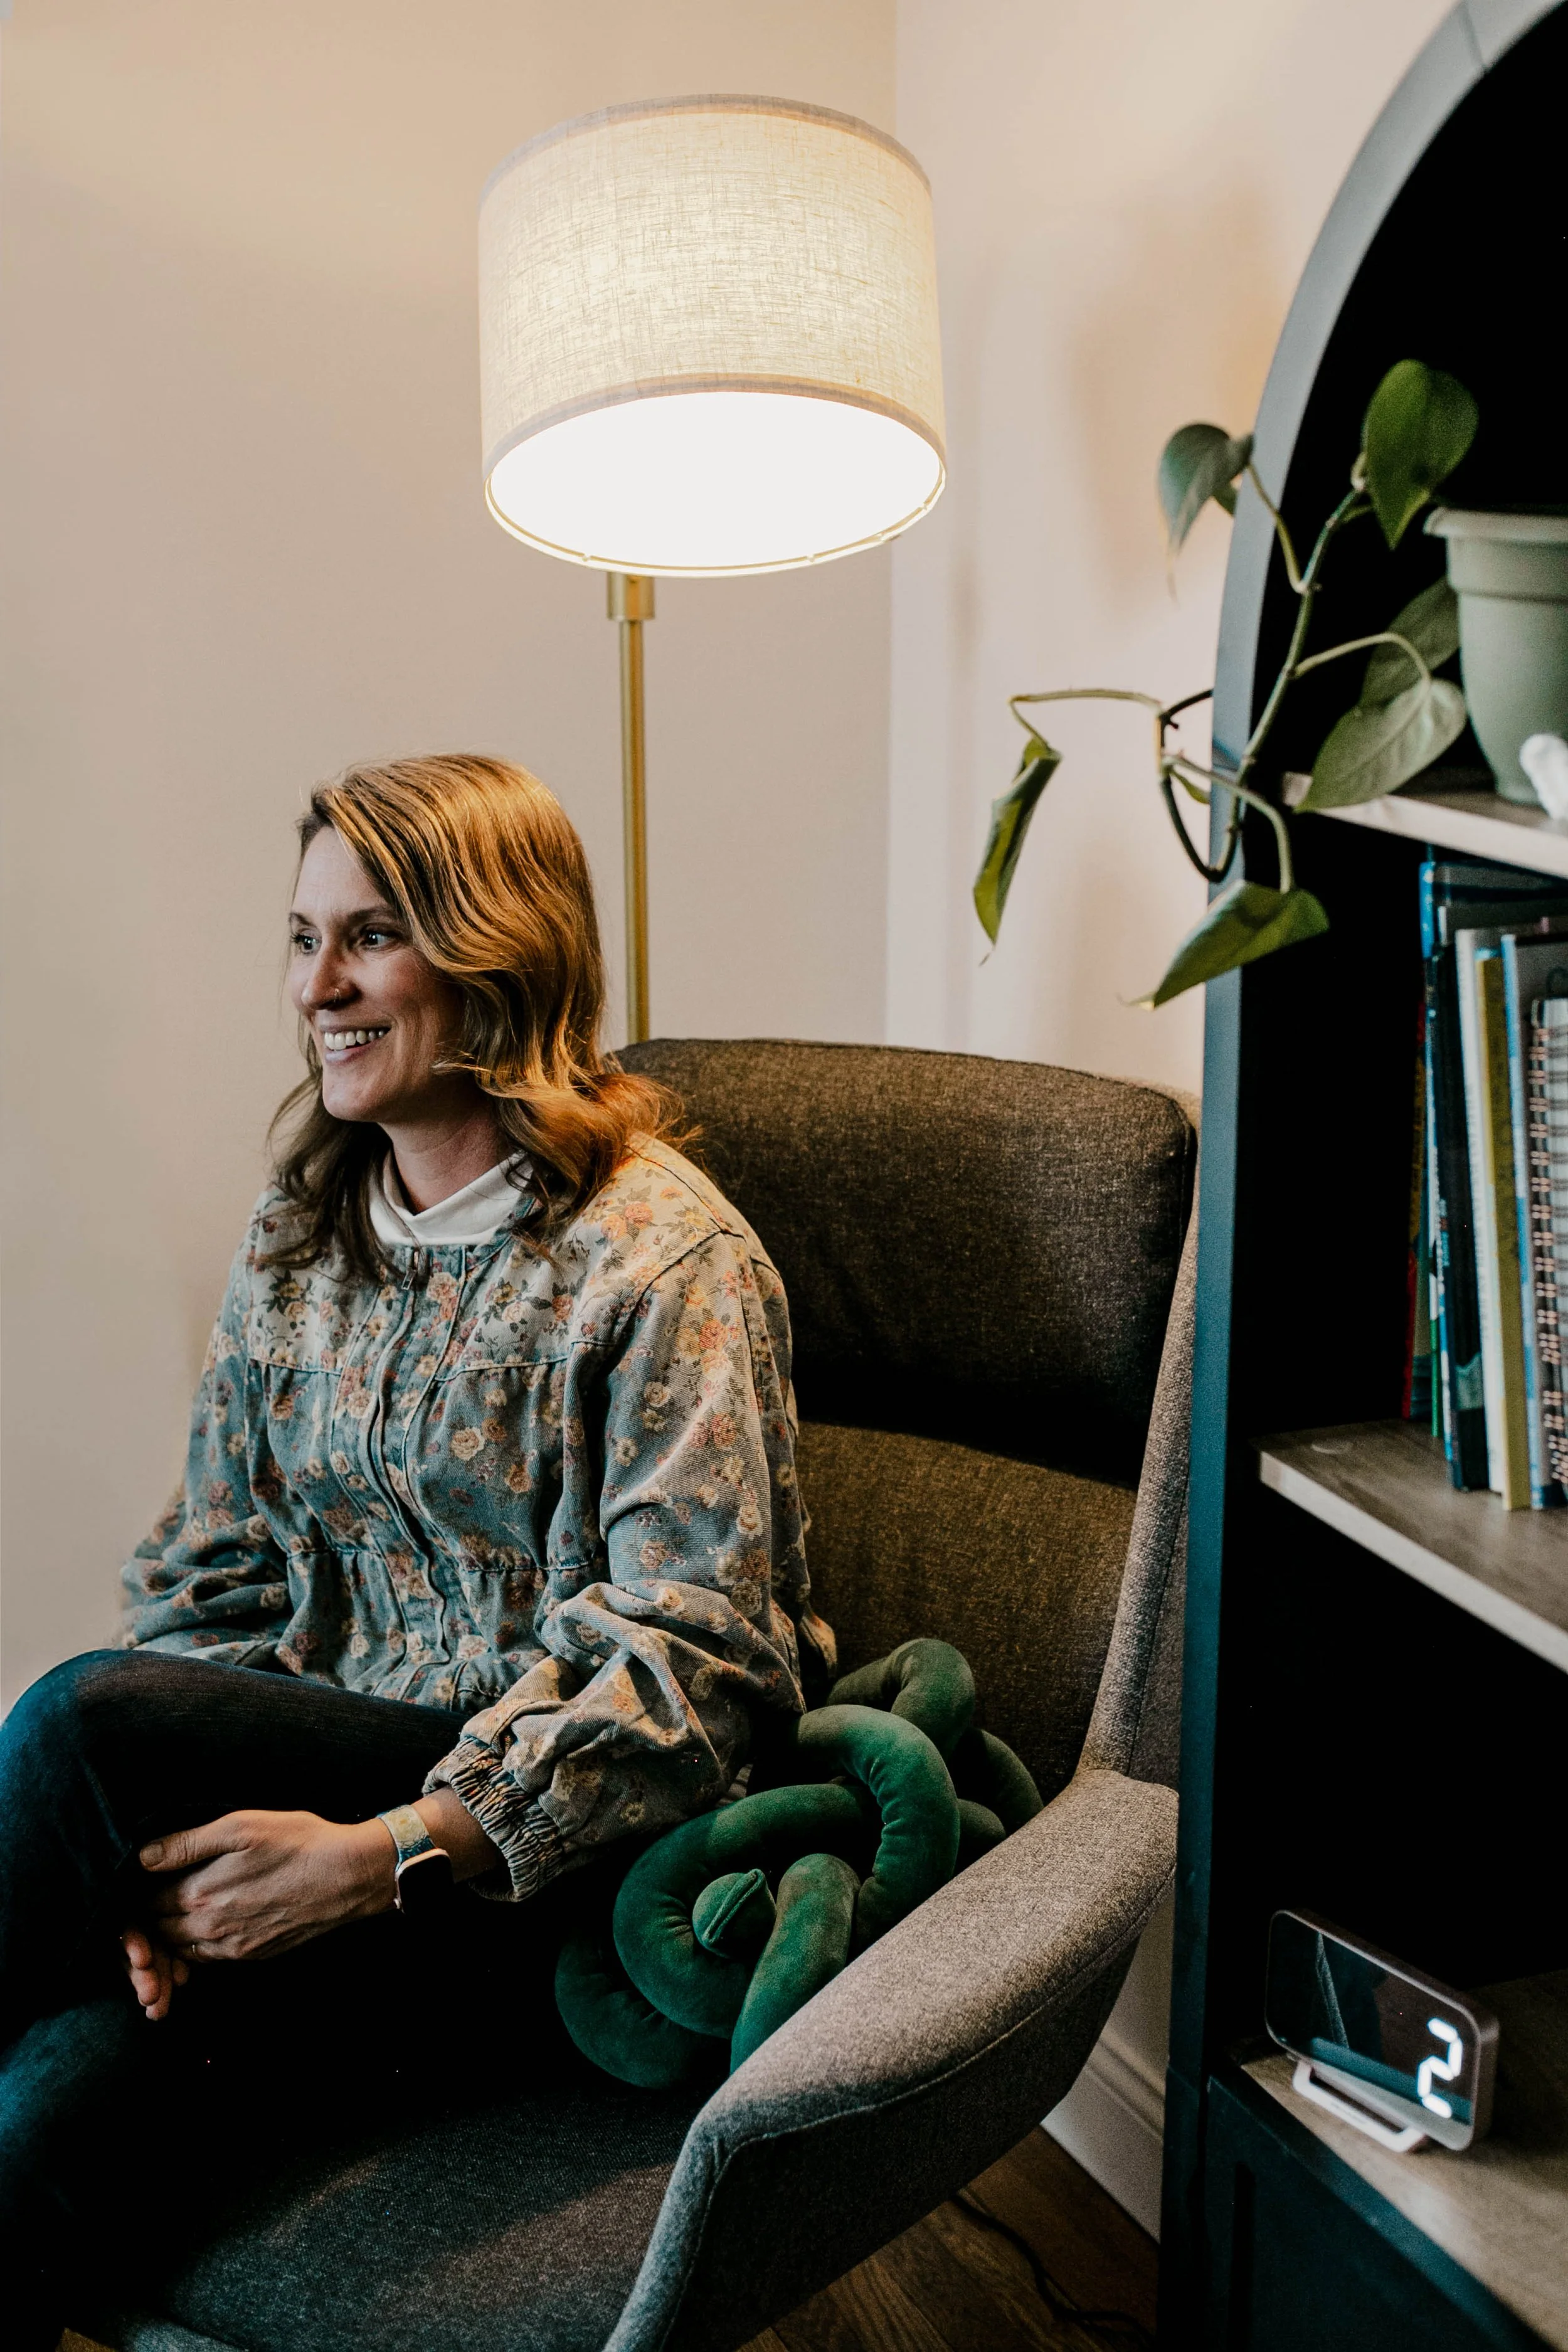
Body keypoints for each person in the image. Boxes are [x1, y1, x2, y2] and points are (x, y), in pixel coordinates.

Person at [0, 753, 831, 2343]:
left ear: (494, 955)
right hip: (288, 1840)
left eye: (369, 937)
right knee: (44, 2112)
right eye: (301, 937)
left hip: (521, 1880)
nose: (318, 986)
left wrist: (377, 1855)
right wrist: (156, 1875)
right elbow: (215, 1572)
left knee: (85, 1717)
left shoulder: (663, 1261)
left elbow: (700, 1659)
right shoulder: (301, 1233)